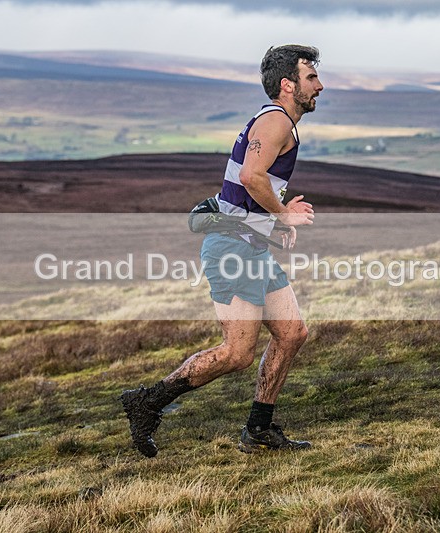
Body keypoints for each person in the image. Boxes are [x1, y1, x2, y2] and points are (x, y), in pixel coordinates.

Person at [120, 44, 324, 457]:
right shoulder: (276, 120)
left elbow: (243, 194)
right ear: (288, 85)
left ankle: (258, 429)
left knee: (292, 333)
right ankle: (147, 402)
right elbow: (251, 176)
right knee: (237, 353)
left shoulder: (278, 122)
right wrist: (284, 214)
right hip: (232, 251)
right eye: (311, 77)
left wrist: (273, 223)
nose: (319, 85)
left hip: (249, 246)